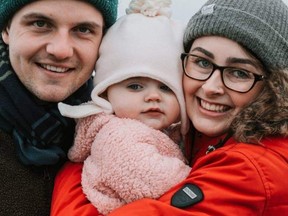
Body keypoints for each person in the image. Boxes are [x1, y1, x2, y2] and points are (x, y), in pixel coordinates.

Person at [51, 0, 288, 215]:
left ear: (274, 86)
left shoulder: (251, 170)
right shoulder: (203, 135)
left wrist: (78, 164)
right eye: (202, 62)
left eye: (239, 73)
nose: (210, 87)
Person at [51, 0, 191, 215]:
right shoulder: (119, 136)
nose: (153, 96)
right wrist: (202, 172)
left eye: (166, 87)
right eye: (135, 86)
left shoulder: (160, 131)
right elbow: (155, 183)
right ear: (106, 93)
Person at [0, 0, 118, 215]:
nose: (61, 50)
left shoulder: (119, 135)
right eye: (40, 24)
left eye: (83, 30)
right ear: (6, 29)